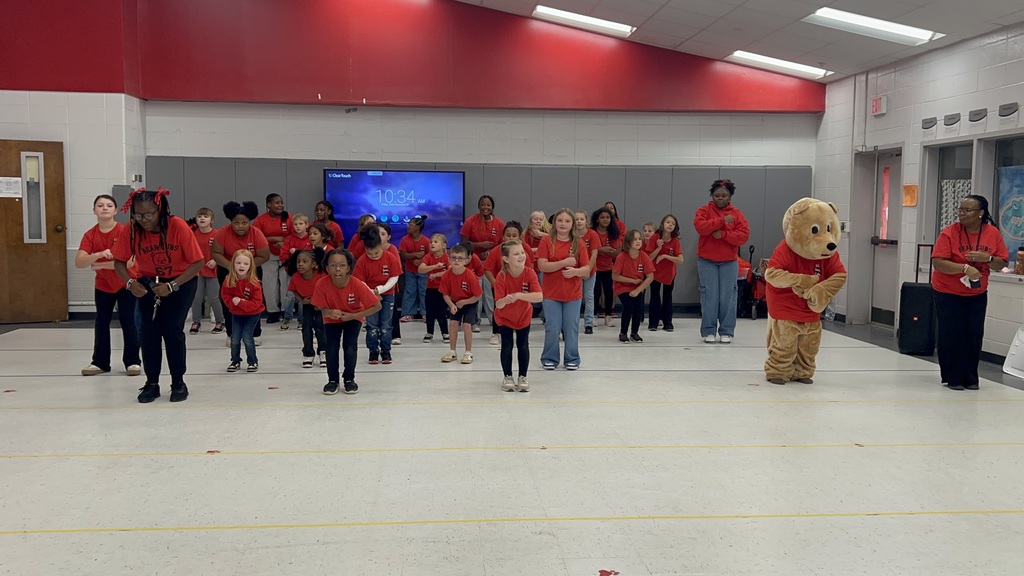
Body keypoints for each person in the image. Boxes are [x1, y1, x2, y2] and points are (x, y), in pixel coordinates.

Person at [111, 187, 203, 403]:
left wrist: (172, 286)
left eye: (148, 214)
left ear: (160, 210)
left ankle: (178, 382)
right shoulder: (132, 230)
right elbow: (119, 262)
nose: (143, 219)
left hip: (181, 282)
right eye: (138, 214)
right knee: (148, 332)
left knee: (172, 330)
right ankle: (152, 383)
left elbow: (197, 262)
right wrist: (130, 282)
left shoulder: (177, 226)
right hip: (148, 282)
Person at [931, 195, 1009, 391]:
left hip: (976, 292)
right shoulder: (949, 233)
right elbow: (938, 262)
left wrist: (987, 257)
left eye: (967, 210)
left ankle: (971, 377)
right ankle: (953, 377)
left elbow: (1001, 263)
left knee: (973, 334)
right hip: (948, 291)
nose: (961, 213)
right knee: (952, 333)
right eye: (960, 209)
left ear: (981, 214)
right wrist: (965, 268)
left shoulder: (992, 233)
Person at [78, 194, 141, 377]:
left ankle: (133, 361)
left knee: (128, 321)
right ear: (94, 210)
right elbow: (80, 262)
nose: (104, 208)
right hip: (103, 285)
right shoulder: (90, 235)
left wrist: (99, 265)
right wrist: (97, 255)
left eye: (108, 205)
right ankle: (100, 362)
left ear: (115, 210)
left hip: (126, 283)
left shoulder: (124, 232)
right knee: (101, 322)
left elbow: (129, 263)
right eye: (100, 205)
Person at [313, 249, 382, 395]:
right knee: (331, 347)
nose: (337, 269)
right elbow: (321, 309)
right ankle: (332, 380)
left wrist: (354, 315)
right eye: (333, 265)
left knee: (350, 346)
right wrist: (330, 312)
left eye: (342, 265)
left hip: (354, 316)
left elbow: (376, 305)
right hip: (331, 319)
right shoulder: (321, 284)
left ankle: (349, 379)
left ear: (348, 267)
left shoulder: (357, 284)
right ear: (327, 268)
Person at [694, 179, 750, 344]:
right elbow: (700, 227)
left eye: (724, 195)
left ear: (730, 197)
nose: (720, 198)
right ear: (712, 196)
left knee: (728, 297)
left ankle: (726, 331)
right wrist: (721, 221)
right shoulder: (703, 210)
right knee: (709, 296)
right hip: (707, 261)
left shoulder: (737, 214)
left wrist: (725, 235)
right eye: (717, 195)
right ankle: (709, 331)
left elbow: (743, 235)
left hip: (729, 262)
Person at [537, 208, 591, 370]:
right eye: (560, 220)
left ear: (572, 224)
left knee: (571, 327)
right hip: (551, 293)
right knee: (552, 327)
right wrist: (563, 263)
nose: (563, 224)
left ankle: (572, 358)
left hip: (572, 294)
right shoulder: (546, 242)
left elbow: (586, 270)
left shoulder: (578, 243)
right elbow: (542, 265)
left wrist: (575, 271)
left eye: (567, 221)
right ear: (554, 223)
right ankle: (550, 357)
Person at [211, 201, 270, 344]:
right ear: (231, 222)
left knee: (254, 300)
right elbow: (216, 253)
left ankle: (255, 333)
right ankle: (231, 334)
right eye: (236, 223)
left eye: (244, 223)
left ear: (249, 222)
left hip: (252, 270)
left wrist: (247, 266)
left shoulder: (256, 233)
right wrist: (232, 267)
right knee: (229, 301)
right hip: (227, 270)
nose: (241, 226)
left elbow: (264, 256)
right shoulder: (223, 233)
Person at [494, 240, 542, 392]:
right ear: (506, 259)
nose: (521, 256)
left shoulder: (530, 273)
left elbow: (539, 296)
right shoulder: (501, 276)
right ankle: (508, 376)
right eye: (516, 254)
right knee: (507, 346)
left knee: (523, 345)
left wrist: (520, 296)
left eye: (522, 252)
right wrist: (505, 300)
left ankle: (523, 376)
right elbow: (498, 304)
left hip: (523, 316)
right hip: (505, 318)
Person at [353, 226, 401, 365]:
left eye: (376, 253)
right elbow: (359, 281)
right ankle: (373, 350)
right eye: (370, 253)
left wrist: (381, 289)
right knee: (372, 325)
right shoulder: (362, 260)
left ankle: (386, 350)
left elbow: (394, 276)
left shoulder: (390, 257)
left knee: (386, 324)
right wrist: (371, 292)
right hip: (369, 295)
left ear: (381, 245)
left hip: (387, 294)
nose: (373, 256)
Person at [483, 221, 533, 346]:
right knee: (499, 308)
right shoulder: (497, 250)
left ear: (520, 237)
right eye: (508, 235)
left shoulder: (525, 250)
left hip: (520, 287)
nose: (511, 238)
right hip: (500, 286)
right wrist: (495, 283)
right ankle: (496, 332)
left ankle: (521, 331)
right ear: (503, 237)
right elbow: (487, 269)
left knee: (521, 307)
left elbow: (529, 268)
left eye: (514, 235)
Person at [461, 195, 504, 333]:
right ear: (479, 206)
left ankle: (494, 320)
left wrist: (491, 253)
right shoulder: (471, 221)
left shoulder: (499, 223)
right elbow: (464, 242)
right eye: (483, 204)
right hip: (474, 262)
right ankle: (475, 321)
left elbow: (503, 244)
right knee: (476, 293)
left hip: (492, 264)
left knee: (490, 293)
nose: (485, 207)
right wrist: (480, 246)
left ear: (492, 207)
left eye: (488, 205)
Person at [252, 193, 293, 327]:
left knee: (285, 283)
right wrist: (274, 239)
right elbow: (256, 237)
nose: (280, 205)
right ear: (268, 205)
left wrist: (285, 243)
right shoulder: (261, 220)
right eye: (277, 203)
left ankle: (285, 311)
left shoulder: (289, 218)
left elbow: (297, 235)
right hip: (268, 255)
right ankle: (273, 311)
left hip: (286, 254)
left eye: (281, 202)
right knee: (269, 284)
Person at [221, 249, 264, 373]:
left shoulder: (254, 283)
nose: (241, 266)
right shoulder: (229, 280)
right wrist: (233, 305)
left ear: (250, 266)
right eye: (238, 263)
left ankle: (252, 361)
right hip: (237, 313)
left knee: (247, 337)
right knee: (235, 338)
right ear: (233, 263)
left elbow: (257, 303)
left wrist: (241, 303)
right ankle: (235, 360)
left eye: (245, 263)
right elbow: (225, 296)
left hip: (253, 314)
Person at [439, 242, 482, 364]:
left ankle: (468, 352)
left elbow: (478, 295)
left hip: (469, 302)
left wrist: (465, 302)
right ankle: (452, 351)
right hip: (455, 302)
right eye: (453, 258)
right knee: (452, 324)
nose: (456, 261)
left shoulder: (470, 276)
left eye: (460, 258)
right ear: (449, 259)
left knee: (466, 325)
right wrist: (451, 305)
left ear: (466, 260)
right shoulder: (447, 275)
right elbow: (445, 294)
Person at [287, 248, 327, 368]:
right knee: (306, 329)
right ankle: (308, 353)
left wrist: (321, 303)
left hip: (321, 305)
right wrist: (302, 300)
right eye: (298, 261)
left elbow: (328, 290)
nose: (300, 264)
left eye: (305, 261)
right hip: (307, 305)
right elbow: (294, 290)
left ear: (314, 264)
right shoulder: (295, 277)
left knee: (321, 328)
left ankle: (323, 352)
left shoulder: (322, 276)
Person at [613, 230, 655, 343]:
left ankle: (634, 333)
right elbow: (615, 276)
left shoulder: (644, 256)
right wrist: (632, 281)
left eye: (639, 239)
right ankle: (623, 332)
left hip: (637, 287)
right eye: (635, 239)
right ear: (628, 242)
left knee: (638, 308)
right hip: (622, 286)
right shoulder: (622, 257)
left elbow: (650, 276)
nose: (638, 241)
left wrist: (637, 290)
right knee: (629, 307)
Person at [188, 207, 224, 335]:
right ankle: (196, 322)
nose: (202, 218)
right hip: (197, 272)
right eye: (199, 216)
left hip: (213, 271)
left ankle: (220, 321)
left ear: (211, 220)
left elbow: (223, 251)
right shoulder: (192, 234)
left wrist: (215, 260)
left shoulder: (217, 234)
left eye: (205, 216)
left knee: (214, 298)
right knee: (196, 298)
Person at [647, 214, 684, 332]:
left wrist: (665, 256)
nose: (670, 225)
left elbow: (681, 259)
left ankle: (667, 322)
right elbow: (649, 257)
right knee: (655, 296)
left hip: (669, 273)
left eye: (673, 223)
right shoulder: (655, 238)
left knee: (667, 297)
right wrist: (658, 248)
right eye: (668, 222)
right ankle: (653, 322)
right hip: (655, 272)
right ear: (662, 224)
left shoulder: (675, 241)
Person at [591, 206, 622, 326]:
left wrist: (599, 250)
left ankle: (608, 315)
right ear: (597, 219)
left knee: (609, 291)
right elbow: (589, 249)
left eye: (608, 217)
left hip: (609, 267)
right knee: (596, 291)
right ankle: (593, 315)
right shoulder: (592, 232)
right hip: (595, 267)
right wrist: (602, 250)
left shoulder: (613, 233)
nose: (605, 220)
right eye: (602, 217)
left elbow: (617, 251)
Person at [418, 233, 451, 344]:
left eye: (436, 242)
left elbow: (450, 271)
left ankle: (445, 333)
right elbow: (421, 269)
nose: (432, 243)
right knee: (430, 312)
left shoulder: (447, 257)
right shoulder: (428, 257)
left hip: (443, 289)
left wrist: (436, 275)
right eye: (431, 242)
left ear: (443, 245)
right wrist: (435, 267)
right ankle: (429, 332)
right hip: (430, 288)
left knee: (441, 312)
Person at [398, 216, 430, 322]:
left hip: (423, 272)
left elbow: (430, 256)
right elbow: (403, 255)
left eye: (411, 225)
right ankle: (408, 313)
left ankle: (425, 313)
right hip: (410, 270)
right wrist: (414, 255)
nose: (408, 227)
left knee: (423, 291)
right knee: (410, 291)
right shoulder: (405, 240)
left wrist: (421, 262)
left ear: (417, 227)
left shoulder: (426, 241)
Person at [575, 210, 600, 335]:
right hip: (576, 271)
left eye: (581, 219)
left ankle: (589, 323)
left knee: (589, 297)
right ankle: (573, 322)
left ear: (586, 221)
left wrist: (587, 270)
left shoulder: (592, 234)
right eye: (576, 219)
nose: (579, 221)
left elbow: (594, 253)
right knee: (576, 297)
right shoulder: (571, 235)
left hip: (590, 270)